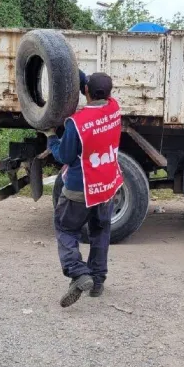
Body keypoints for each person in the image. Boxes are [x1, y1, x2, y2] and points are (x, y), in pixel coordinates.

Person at [43, 71, 123, 308]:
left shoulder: (77, 123)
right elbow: (94, 86)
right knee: (100, 232)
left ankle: (79, 273)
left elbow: (64, 156)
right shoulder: (114, 108)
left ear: (86, 90)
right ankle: (97, 281)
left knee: (66, 228)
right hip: (107, 187)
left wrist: (50, 137)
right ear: (109, 93)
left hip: (80, 189)